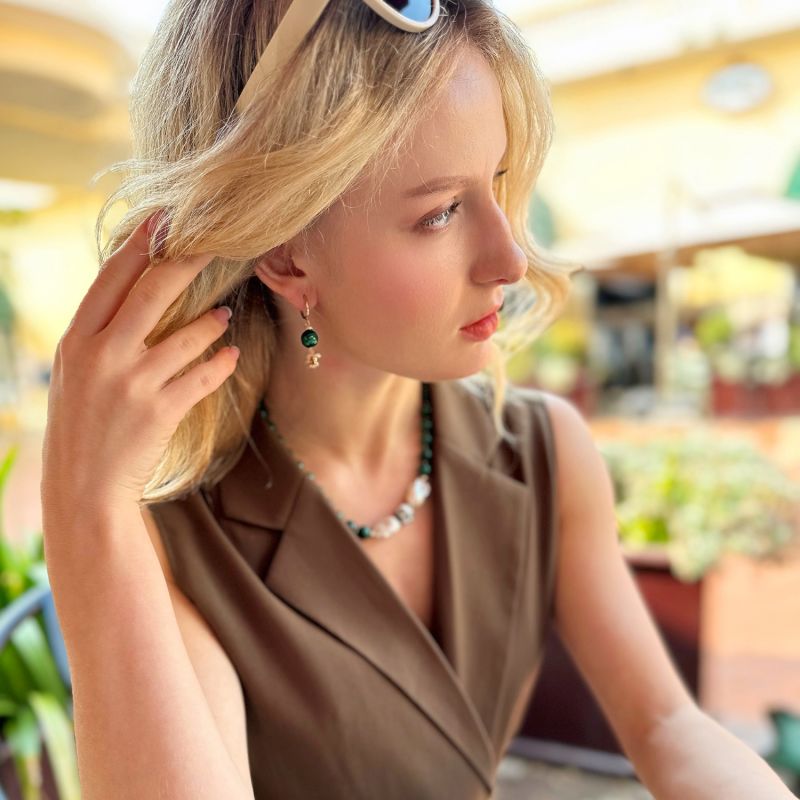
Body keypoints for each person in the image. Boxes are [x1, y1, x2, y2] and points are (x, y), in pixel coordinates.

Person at [39, 1, 796, 798]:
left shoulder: (541, 449)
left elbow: (665, 725)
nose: (509, 256)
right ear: (287, 252)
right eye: (439, 213)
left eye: (500, 183)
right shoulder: (180, 542)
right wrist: (83, 507)